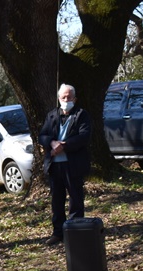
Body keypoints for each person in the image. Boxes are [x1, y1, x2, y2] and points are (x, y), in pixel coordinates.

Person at [38, 83, 92, 245]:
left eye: (69, 97)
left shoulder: (82, 115)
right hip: (55, 165)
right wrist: (52, 143)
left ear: (75, 98)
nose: (66, 100)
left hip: (73, 164)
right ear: (59, 98)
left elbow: (84, 136)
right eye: (63, 97)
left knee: (76, 199)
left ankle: (76, 232)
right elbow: (42, 135)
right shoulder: (52, 115)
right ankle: (58, 233)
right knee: (57, 200)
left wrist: (65, 146)